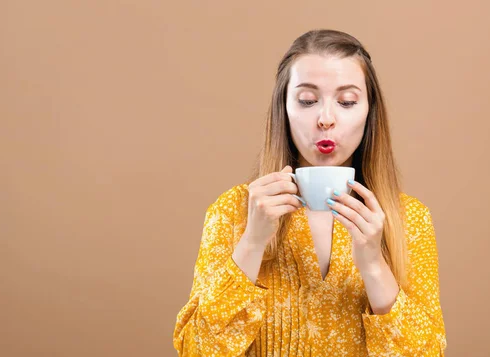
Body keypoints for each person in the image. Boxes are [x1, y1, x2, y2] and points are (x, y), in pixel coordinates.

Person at [173, 29, 447, 356]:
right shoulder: (233, 210)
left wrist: (374, 265)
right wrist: (252, 241)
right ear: (284, 109)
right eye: (307, 100)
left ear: (369, 113)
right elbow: (197, 350)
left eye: (346, 102)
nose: (325, 119)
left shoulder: (408, 219)